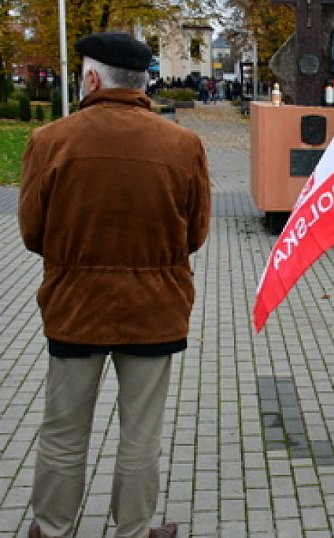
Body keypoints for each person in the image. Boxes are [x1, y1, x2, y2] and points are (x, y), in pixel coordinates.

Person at [18, 32, 211, 538]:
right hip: (153, 309)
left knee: (63, 430)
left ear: (92, 79)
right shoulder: (183, 144)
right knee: (141, 434)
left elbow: (32, 233)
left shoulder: (50, 140)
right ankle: (133, 528)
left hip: (74, 307)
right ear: (143, 81)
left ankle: (51, 526)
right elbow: (195, 233)